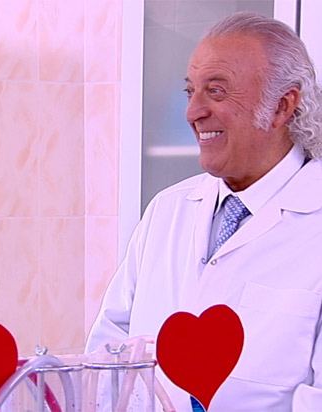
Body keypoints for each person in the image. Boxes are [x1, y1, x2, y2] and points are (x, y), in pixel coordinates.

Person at [86, 11, 322, 412]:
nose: (192, 112)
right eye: (190, 91)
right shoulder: (166, 210)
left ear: (282, 106)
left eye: (216, 91)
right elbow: (108, 352)